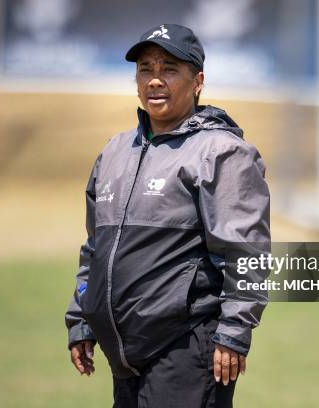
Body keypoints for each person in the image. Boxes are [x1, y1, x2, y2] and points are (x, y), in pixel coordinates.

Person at [65, 24, 270, 408]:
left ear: (198, 82)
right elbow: (96, 248)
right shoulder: (114, 151)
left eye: (169, 69)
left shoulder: (222, 153)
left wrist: (234, 331)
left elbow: (246, 252)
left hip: (187, 349)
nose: (155, 80)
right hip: (124, 355)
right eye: (146, 69)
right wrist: (81, 317)